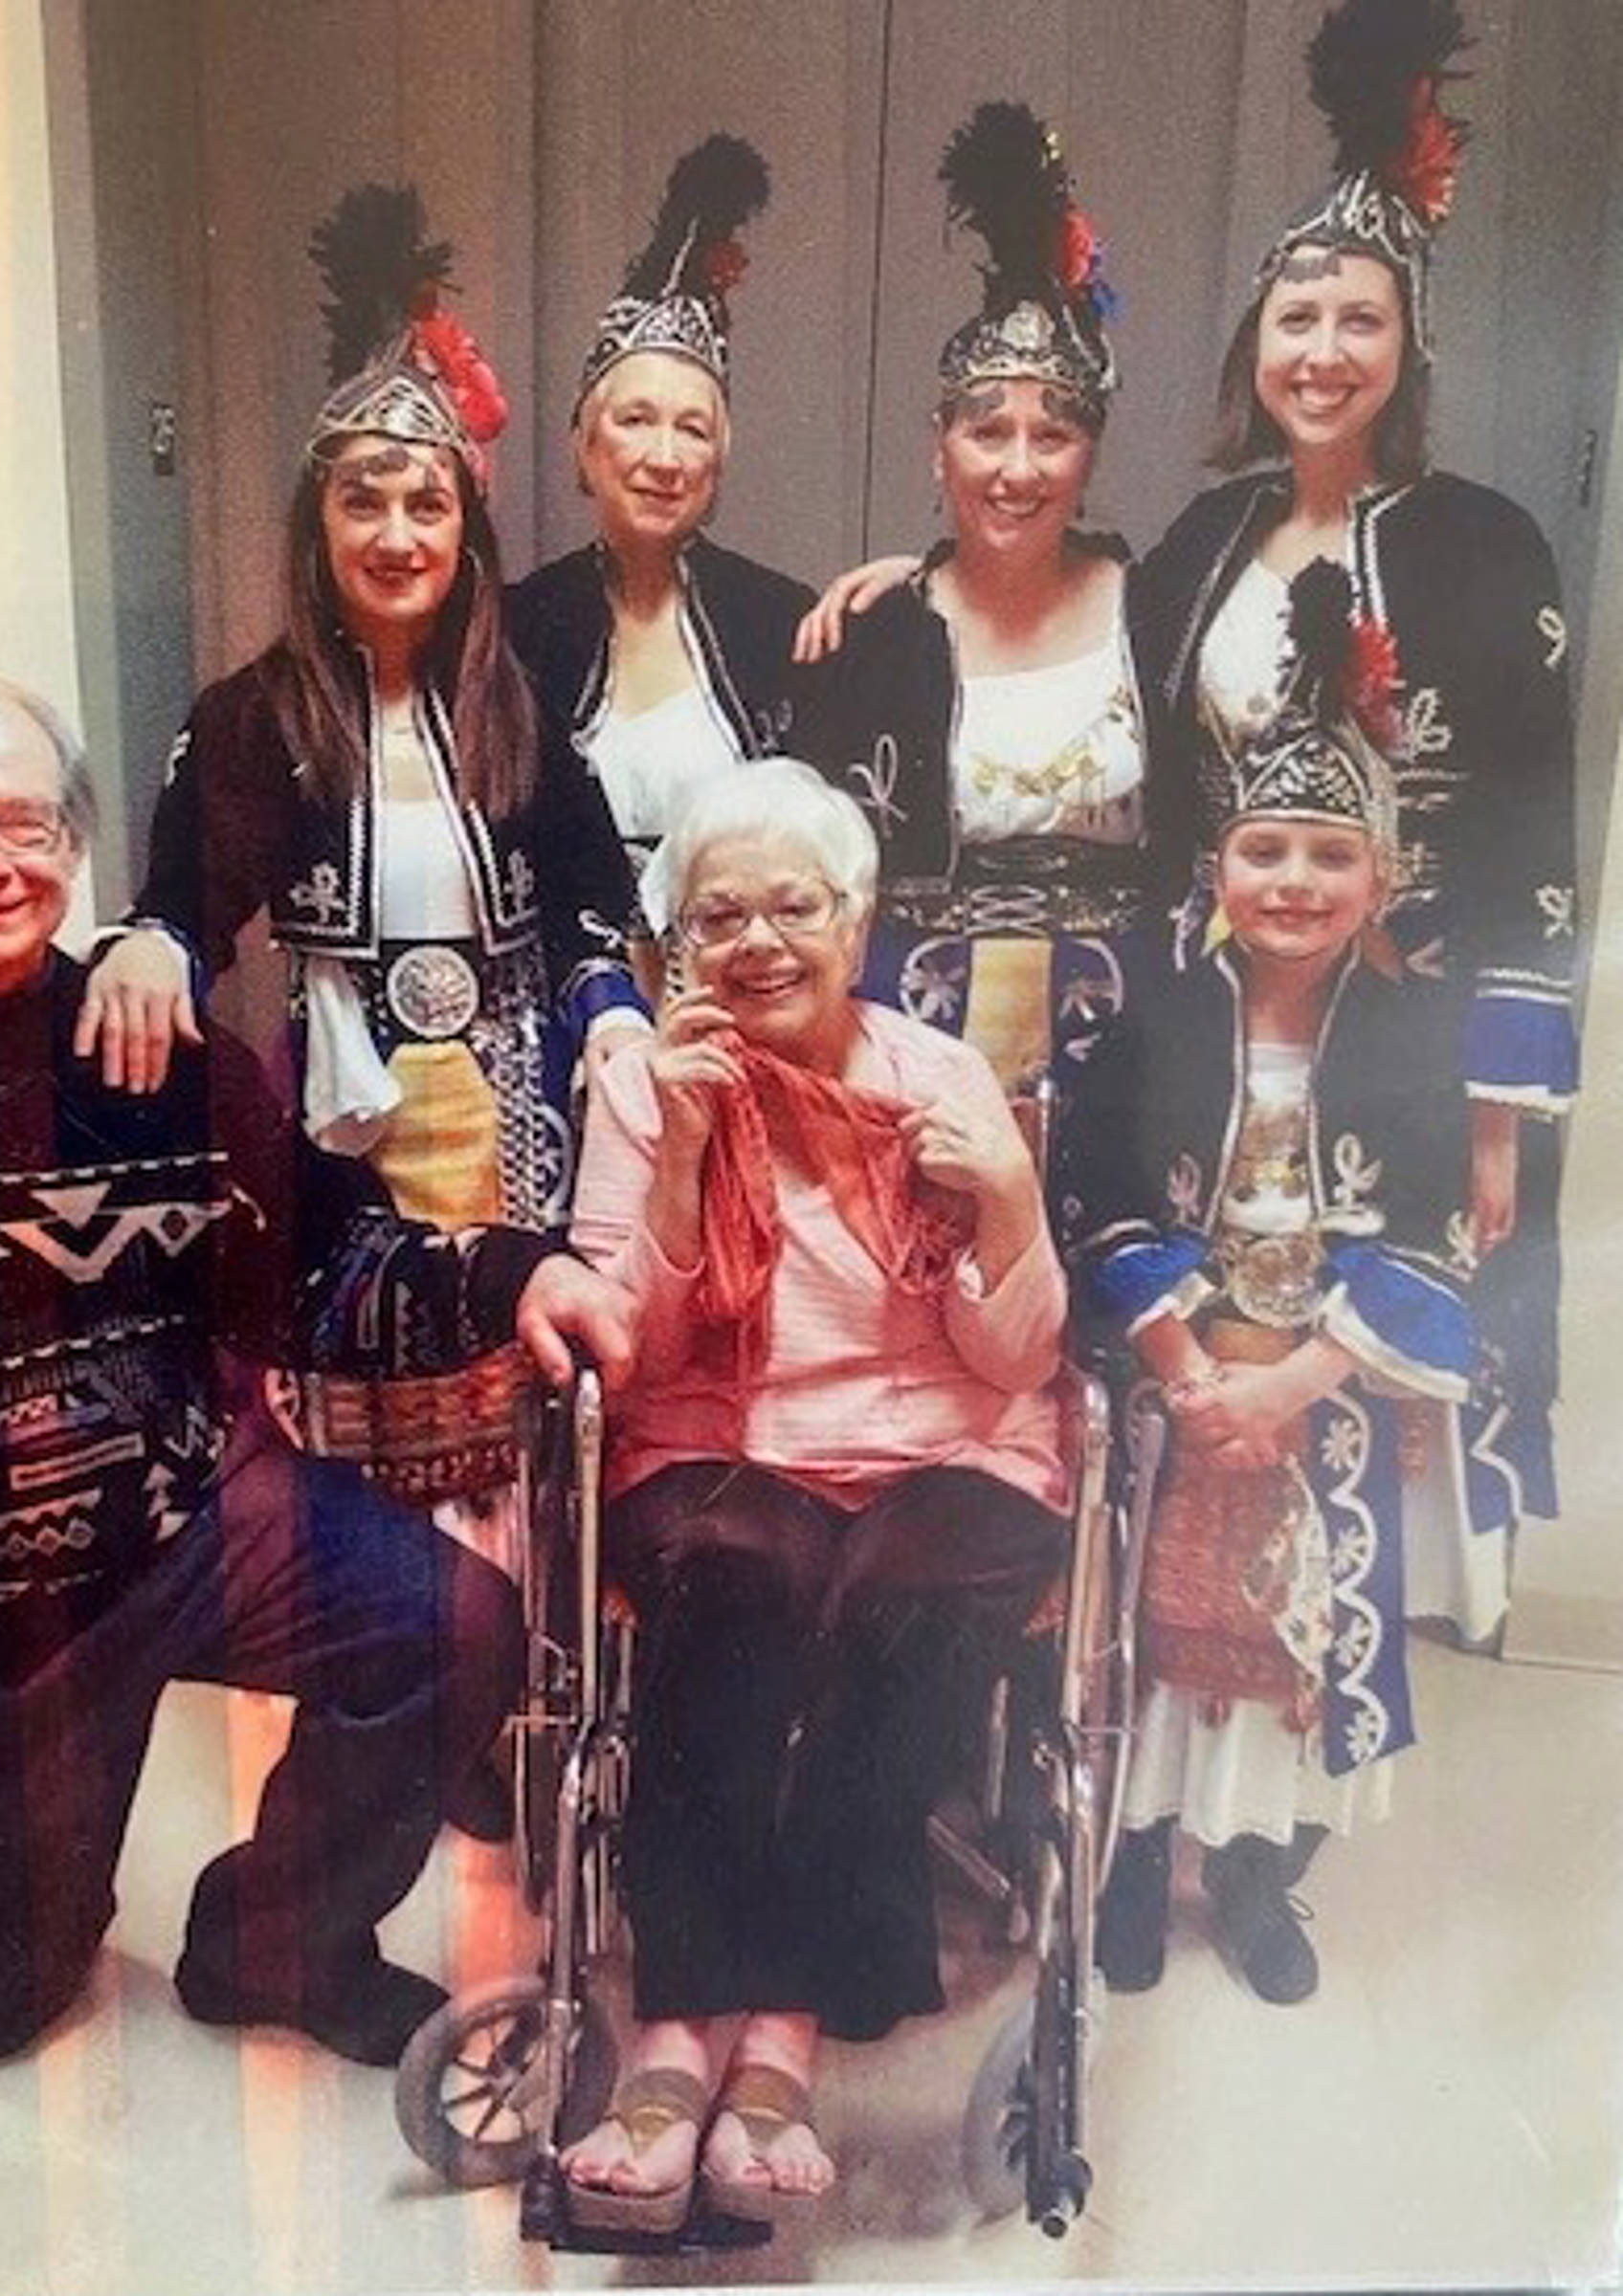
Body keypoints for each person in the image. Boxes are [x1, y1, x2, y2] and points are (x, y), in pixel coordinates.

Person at [0, 673, 634, 2066]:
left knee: (454, 1621)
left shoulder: (154, 1051)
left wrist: (514, 1272)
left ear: (72, 844)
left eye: (22, 822)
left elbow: (323, 1266)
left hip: (189, 1526)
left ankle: (275, 1945)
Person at [561, 761, 1067, 2228]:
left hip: (941, 1441)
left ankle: (778, 2030)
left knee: (904, 1601)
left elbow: (1016, 1357)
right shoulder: (645, 1089)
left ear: (857, 922)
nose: (761, 942)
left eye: (795, 907)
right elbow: (630, 1349)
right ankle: (678, 2029)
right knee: (741, 1585)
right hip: (724, 1431)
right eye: (721, 917)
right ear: (676, 947)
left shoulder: (940, 1080)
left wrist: (1011, 1199)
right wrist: (682, 1162)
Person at [1129, 0, 1577, 1636]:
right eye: (1297, 317)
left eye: (1360, 321)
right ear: (1256, 343)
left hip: (1414, 1023)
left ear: (1409, 348)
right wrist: (917, 581)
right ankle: (1204, 1678)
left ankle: (1342, 1707)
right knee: (1220, 1355)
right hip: (1225, 1012)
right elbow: (1099, 661)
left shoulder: (1490, 546)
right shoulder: (1201, 544)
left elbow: (1531, 836)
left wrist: (1498, 1110)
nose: (1322, 352)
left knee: (1377, 1370)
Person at [1059, 566, 1480, 2005]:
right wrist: (1192, 1375)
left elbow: (1430, 1232)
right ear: (1219, 868)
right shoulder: (1157, 1016)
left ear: (1381, 879)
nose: (1294, 882)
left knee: (1299, 1641)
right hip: (1174, 1385)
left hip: (1330, 1395)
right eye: (1265, 850)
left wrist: (1298, 1382)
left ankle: (1253, 1877)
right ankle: (1131, 1859)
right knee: (1148, 1640)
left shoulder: (1414, 1035)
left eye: (1329, 856)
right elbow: (1102, 1190)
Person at [74, 182, 643, 1235]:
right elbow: (188, 898)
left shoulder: (522, 704)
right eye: (363, 503)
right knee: (356, 1321)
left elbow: (588, 897)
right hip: (345, 1102)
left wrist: (612, 1015)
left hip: (524, 1105)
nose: (396, 537)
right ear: (318, 529)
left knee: (525, 1323)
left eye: (427, 506)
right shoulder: (251, 718)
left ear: (465, 536)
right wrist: (151, 944)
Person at [789, 101, 1147, 1096]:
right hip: (907, 1049)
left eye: (1053, 436)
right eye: (987, 433)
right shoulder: (871, 635)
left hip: (1126, 1055)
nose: (1018, 469)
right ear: (938, 447)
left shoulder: (1157, 616)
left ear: (1090, 457)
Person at [506, 136, 814, 942]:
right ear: (584, 445)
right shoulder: (514, 626)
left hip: (741, 987)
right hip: (561, 994)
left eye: (693, 429)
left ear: (720, 459)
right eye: (636, 420)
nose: (665, 457)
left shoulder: (783, 620)